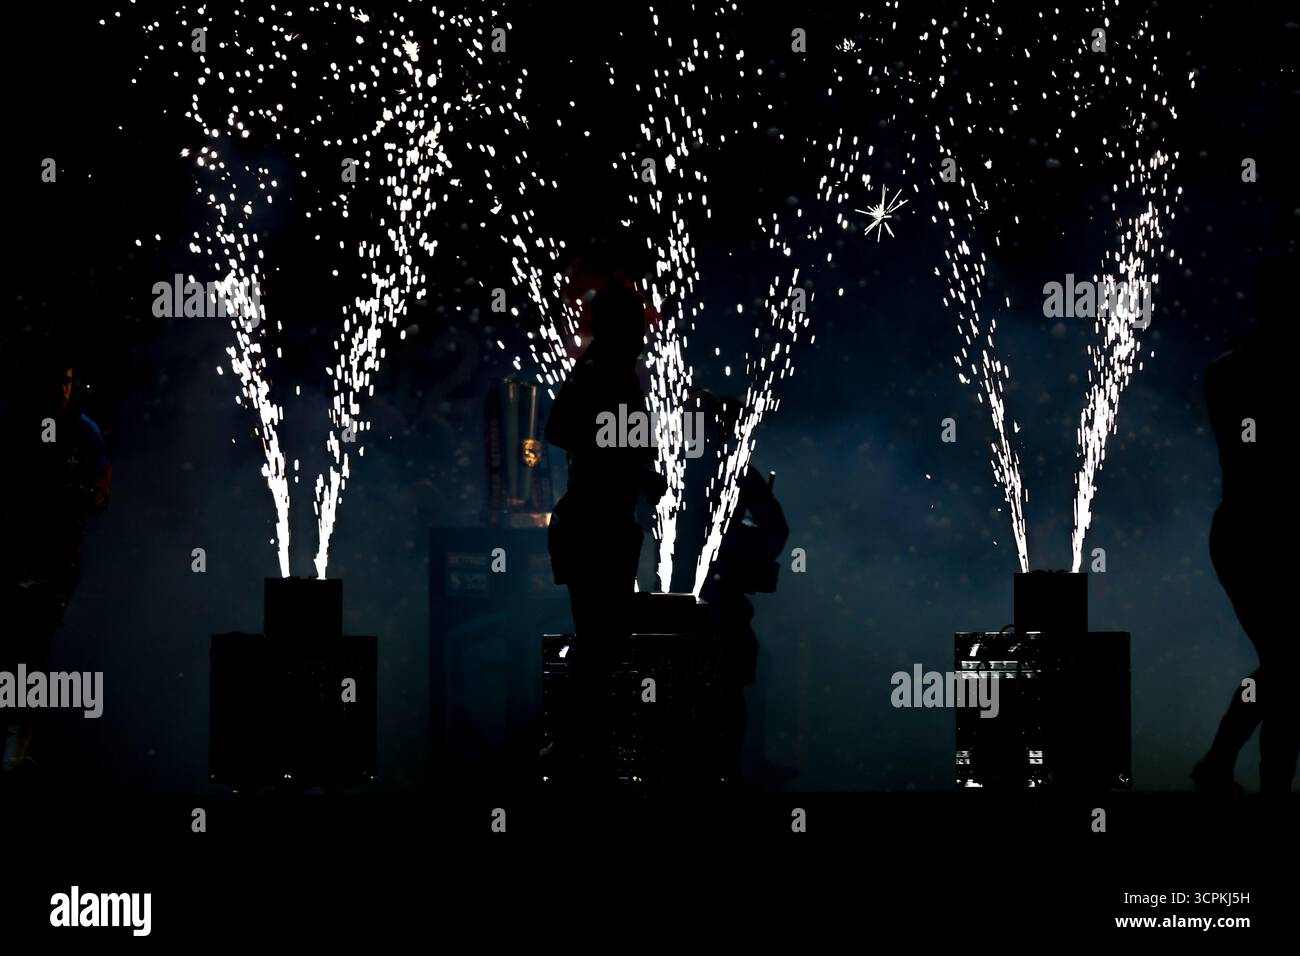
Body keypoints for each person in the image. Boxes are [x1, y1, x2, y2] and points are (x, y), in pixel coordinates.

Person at [544, 284, 666, 781]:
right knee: (601, 639)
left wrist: (636, 469)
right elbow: (563, 430)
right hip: (595, 525)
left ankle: (581, 743)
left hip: (602, 523)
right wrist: (633, 470)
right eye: (635, 323)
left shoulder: (607, 374)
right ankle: (579, 745)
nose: (643, 333)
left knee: (605, 638)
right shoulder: (600, 375)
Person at [1192, 255, 1291, 795]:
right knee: (1287, 665)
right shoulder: (1237, 373)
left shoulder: (1230, 370)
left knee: (1284, 665)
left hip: (1251, 532)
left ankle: (1227, 767)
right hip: (1257, 533)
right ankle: (1238, 771)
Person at [1, 353, 112, 778]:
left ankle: (16, 746)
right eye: (55, 381)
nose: (62, 389)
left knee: (31, 650)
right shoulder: (13, 426)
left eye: (67, 381)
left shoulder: (84, 432)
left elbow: (102, 490)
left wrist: (81, 495)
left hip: (54, 564)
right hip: (14, 559)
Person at [671, 390, 788, 782]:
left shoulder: (673, 466)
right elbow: (775, 526)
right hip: (717, 606)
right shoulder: (733, 467)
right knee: (728, 695)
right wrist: (743, 553)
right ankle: (733, 772)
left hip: (674, 605)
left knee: (689, 700)